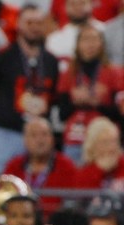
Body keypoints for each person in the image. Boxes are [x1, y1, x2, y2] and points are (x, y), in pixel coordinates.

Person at [0, 4, 60, 177]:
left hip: (39, 135)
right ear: (19, 25)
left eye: (39, 23)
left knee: (40, 181)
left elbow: (53, 98)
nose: (35, 28)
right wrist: (0, 116)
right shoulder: (2, 56)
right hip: (6, 132)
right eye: (29, 23)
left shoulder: (51, 60)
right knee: (0, 180)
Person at [55, 24, 124, 166]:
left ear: (102, 44)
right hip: (74, 139)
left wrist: (96, 103)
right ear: (77, 45)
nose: (90, 44)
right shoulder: (68, 74)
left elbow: (119, 114)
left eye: (94, 39)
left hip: (104, 140)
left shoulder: (114, 72)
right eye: (85, 39)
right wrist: (76, 102)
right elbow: (62, 115)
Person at [2, 117, 78, 218]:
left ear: (52, 139)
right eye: (34, 135)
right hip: (20, 224)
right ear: (25, 140)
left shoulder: (66, 165)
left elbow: (73, 203)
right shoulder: (13, 166)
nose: (40, 140)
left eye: (44, 134)